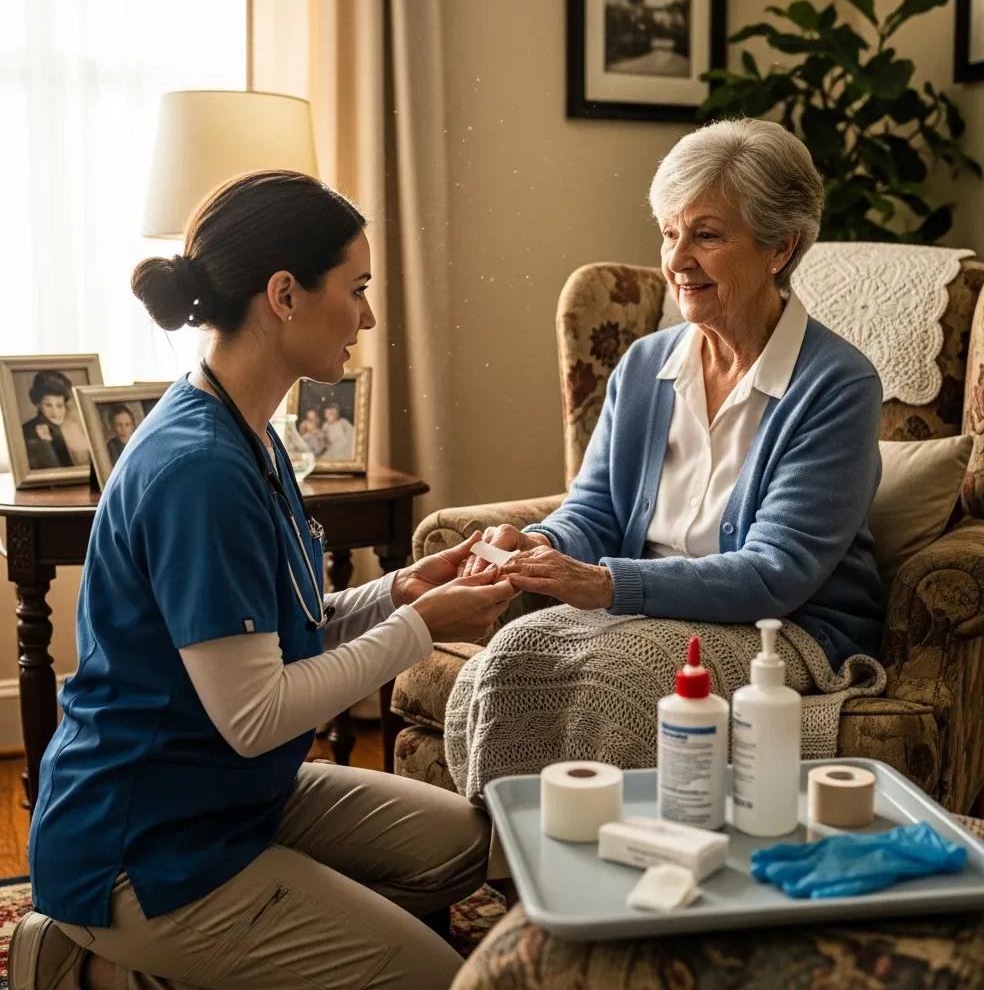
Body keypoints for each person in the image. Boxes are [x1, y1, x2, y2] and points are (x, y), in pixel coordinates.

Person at [12, 170, 515, 990]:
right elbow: (256, 713)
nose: (369, 316)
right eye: (355, 290)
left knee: (466, 845)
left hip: (231, 793)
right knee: (434, 980)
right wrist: (425, 628)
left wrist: (402, 591)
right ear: (284, 294)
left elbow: (281, 629)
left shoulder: (247, 430)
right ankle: (92, 967)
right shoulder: (200, 469)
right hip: (145, 842)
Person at [450, 119, 885, 796]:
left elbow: (777, 574)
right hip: (643, 607)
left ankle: (636, 876)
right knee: (505, 658)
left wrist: (603, 586)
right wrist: (537, 545)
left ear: (780, 246)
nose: (676, 259)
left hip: (781, 629)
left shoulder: (836, 385)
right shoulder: (647, 362)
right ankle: (521, 873)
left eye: (706, 235)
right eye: (669, 232)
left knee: (614, 684)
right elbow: (594, 509)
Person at [21, 370, 90, 470]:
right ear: (38, 404)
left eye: (59, 406)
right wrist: (44, 445)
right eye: (48, 405)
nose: (55, 413)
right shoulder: (27, 432)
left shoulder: (73, 427)